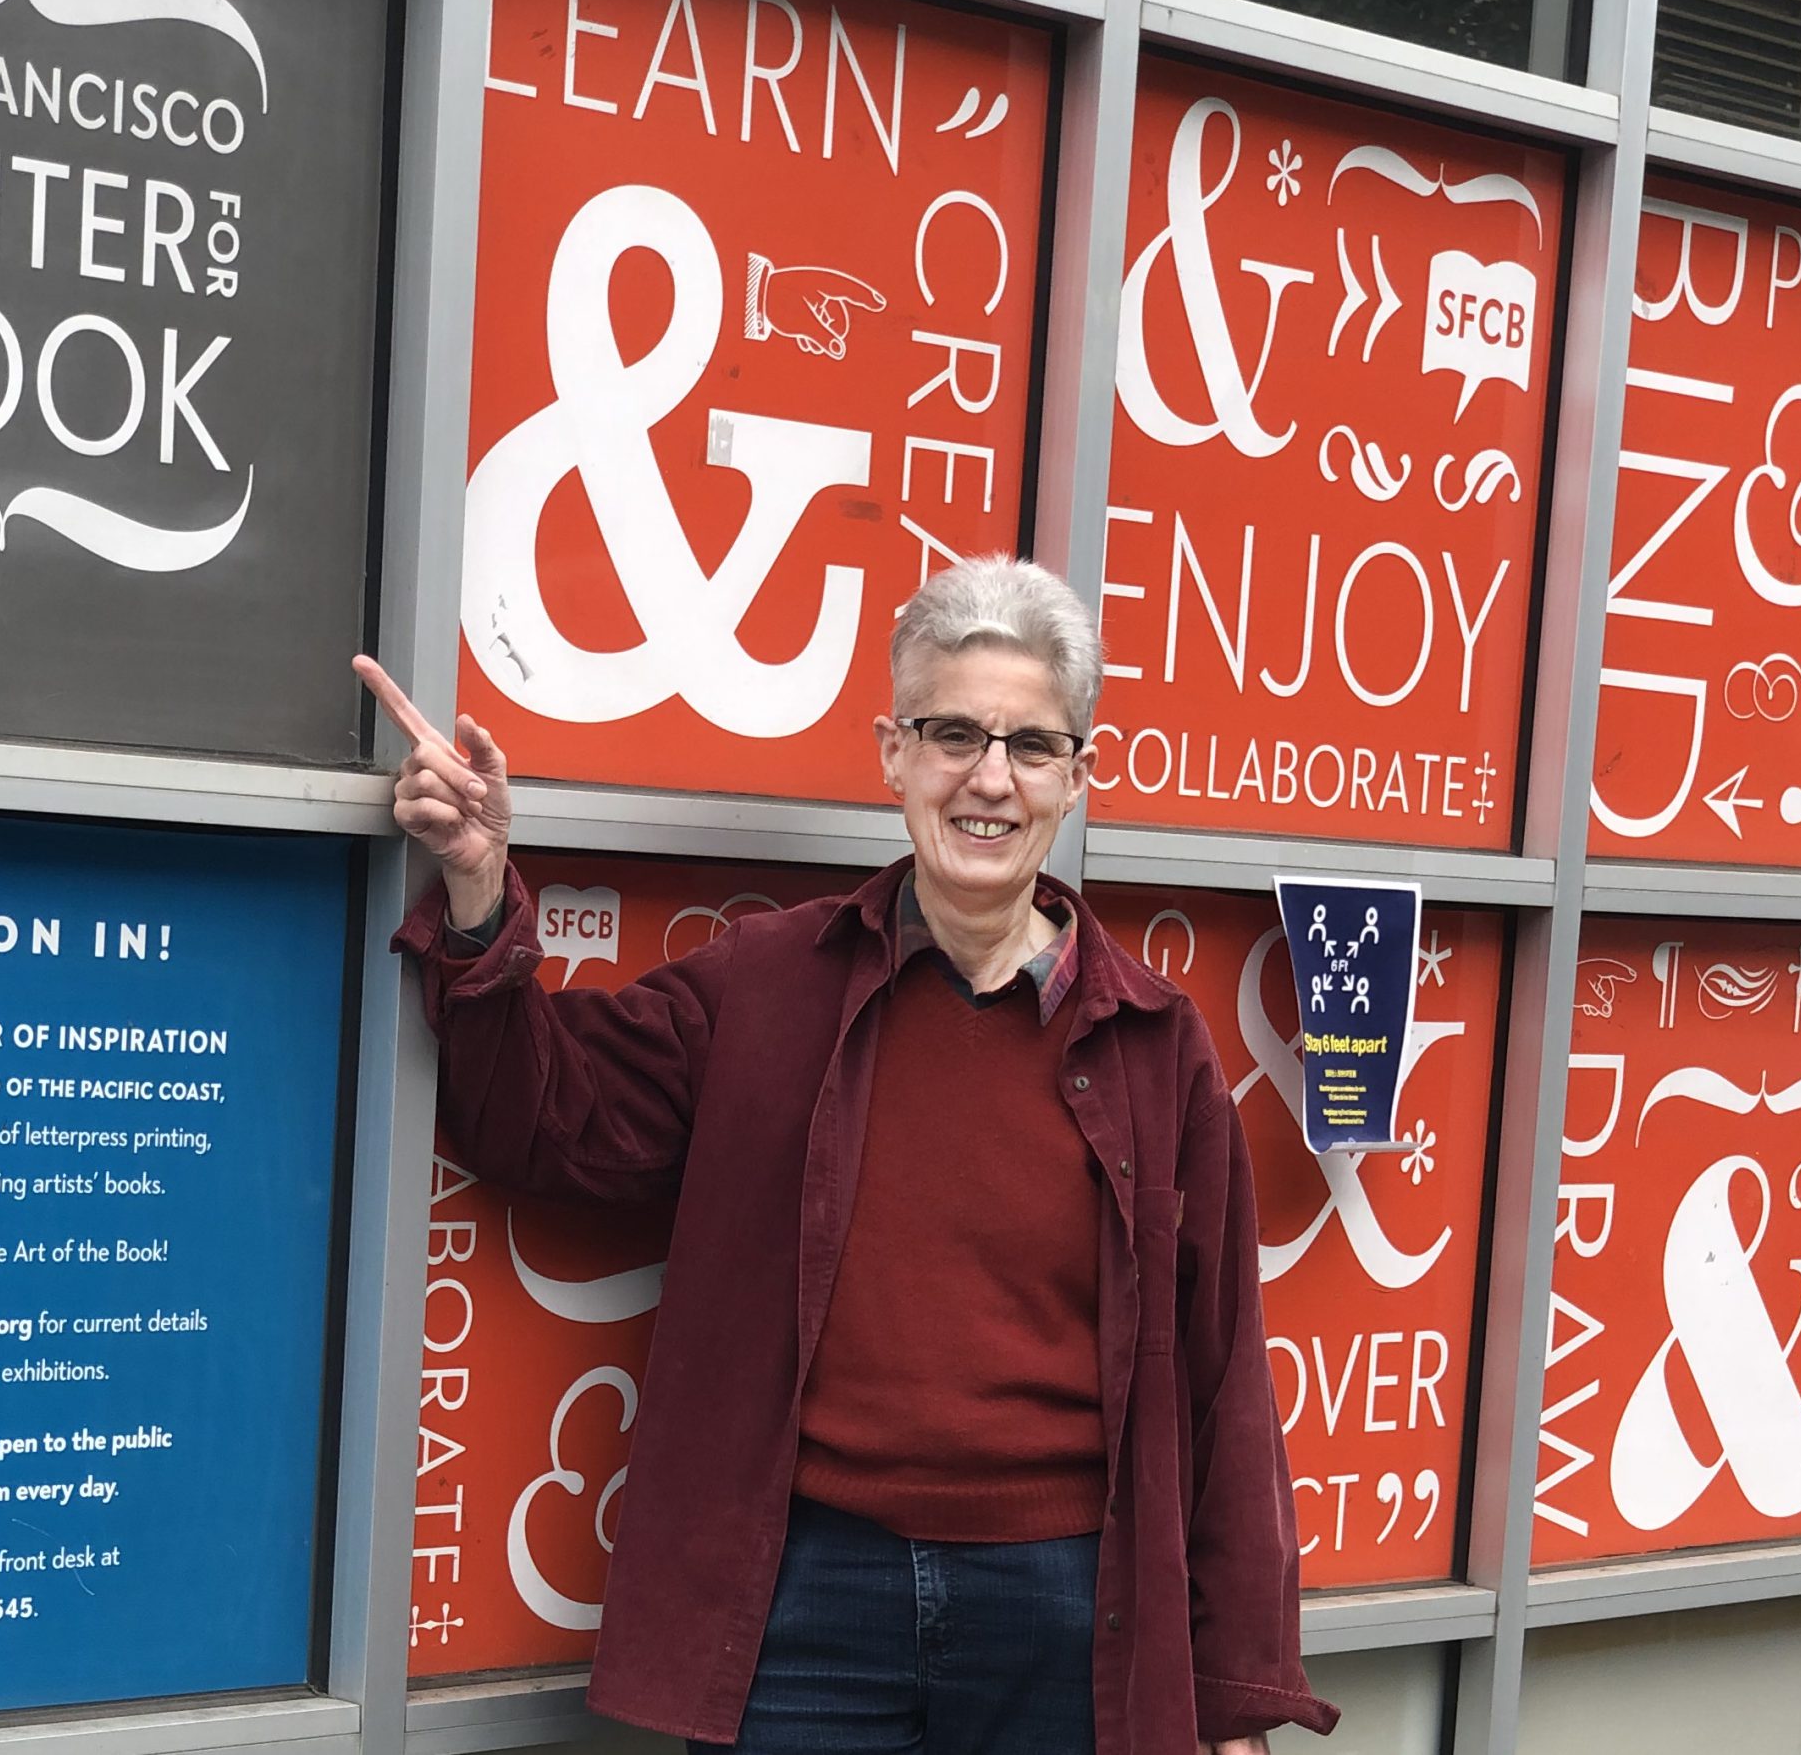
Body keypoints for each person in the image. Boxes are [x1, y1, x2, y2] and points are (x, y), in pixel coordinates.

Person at [359, 556, 1334, 1755]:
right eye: (953, 733)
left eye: (1032, 746)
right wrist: (475, 889)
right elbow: (537, 1116)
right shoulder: (768, 986)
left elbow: (1223, 1375)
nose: (990, 779)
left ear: (1078, 779)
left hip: (1068, 1602)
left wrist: (1234, 1694)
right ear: (890, 753)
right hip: (808, 1591)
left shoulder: (1153, 1044)